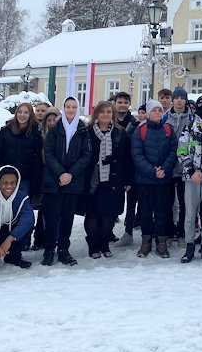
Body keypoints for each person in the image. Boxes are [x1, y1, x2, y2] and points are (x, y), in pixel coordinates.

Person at [41, 96, 92, 265]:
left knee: (68, 217)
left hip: (73, 181)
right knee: (52, 216)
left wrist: (70, 174)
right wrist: (60, 173)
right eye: (68, 106)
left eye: (74, 107)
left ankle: (63, 249)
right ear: (63, 108)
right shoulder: (56, 128)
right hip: (54, 180)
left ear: (78, 109)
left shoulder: (82, 128)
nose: (71, 110)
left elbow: (86, 154)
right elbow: (48, 152)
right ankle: (49, 249)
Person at [82, 101, 133, 258]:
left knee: (108, 216)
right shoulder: (87, 132)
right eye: (102, 112)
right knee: (92, 214)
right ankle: (93, 245)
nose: (105, 115)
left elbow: (127, 158)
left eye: (109, 112)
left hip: (114, 180)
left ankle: (104, 244)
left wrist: (128, 180)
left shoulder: (120, 133)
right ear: (96, 114)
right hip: (92, 180)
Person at [0, 103, 42, 250]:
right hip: (7, 179)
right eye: (20, 112)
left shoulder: (35, 133)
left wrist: (35, 182)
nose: (22, 115)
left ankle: (22, 242)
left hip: (25, 179)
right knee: (6, 211)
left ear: (30, 115)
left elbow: (37, 160)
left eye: (26, 112)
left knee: (23, 212)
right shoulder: (5, 131)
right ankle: (3, 241)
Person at [131, 100, 177, 258]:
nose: (158, 112)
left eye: (160, 110)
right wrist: (152, 170)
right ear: (149, 113)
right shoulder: (140, 131)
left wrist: (164, 169)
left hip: (164, 179)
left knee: (162, 211)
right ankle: (146, 241)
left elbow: (173, 151)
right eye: (155, 110)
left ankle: (161, 241)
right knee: (145, 212)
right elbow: (137, 155)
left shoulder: (168, 130)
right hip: (145, 179)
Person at [179, 95, 202, 263]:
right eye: (200, 105)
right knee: (190, 213)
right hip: (191, 176)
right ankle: (189, 245)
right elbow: (181, 149)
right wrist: (191, 169)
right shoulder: (189, 125)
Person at [165, 86, 192, 247]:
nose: (179, 100)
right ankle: (169, 231)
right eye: (177, 98)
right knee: (167, 202)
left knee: (184, 202)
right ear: (173, 100)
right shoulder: (165, 117)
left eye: (182, 98)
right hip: (169, 166)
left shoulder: (191, 118)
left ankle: (182, 232)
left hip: (184, 167)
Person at [114, 91, 140, 247]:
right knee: (112, 201)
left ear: (129, 104)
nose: (122, 105)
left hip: (131, 168)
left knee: (131, 203)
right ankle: (108, 231)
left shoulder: (134, 123)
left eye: (125, 102)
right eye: (120, 102)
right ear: (115, 103)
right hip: (113, 168)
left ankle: (128, 231)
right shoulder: (109, 120)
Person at [31, 107, 60, 250]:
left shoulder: (62, 135)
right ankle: (39, 239)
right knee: (43, 209)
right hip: (42, 177)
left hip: (57, 177)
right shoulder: (40, 135)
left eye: (55, 120)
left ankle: (53, 239)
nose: (52, 122)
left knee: (54, 211)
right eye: (49, 120)